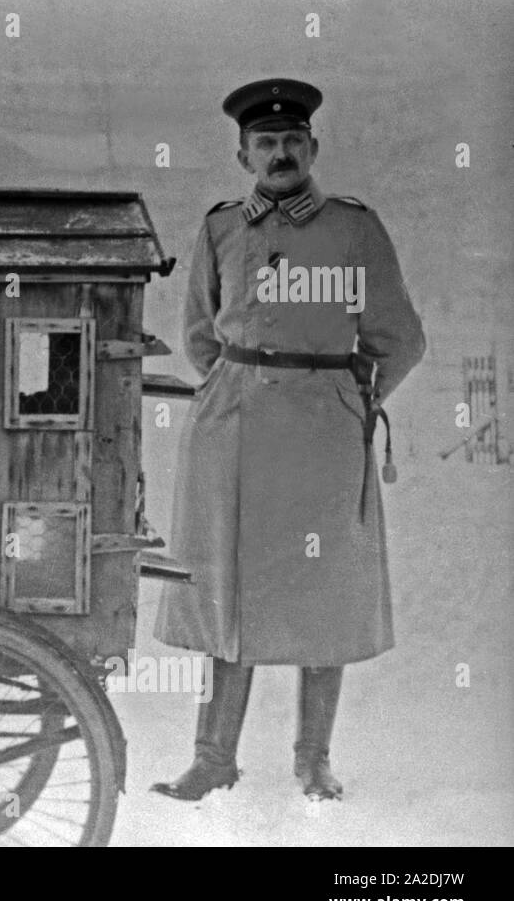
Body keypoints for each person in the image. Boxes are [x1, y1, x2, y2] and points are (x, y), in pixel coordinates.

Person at [151, 78, 425, 802]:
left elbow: (399, 338)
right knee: (227, 589)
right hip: (233, 433)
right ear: (244, 155)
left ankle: (313, 759)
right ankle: (212, 758)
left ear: (313, 147)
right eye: (265, 143)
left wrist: (347, 399)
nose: (280, 153)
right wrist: (238, 390)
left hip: (323, 434)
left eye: (292, 141)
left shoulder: (354, 229)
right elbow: (200, 338)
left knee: (324, 590)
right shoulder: (218, 229)